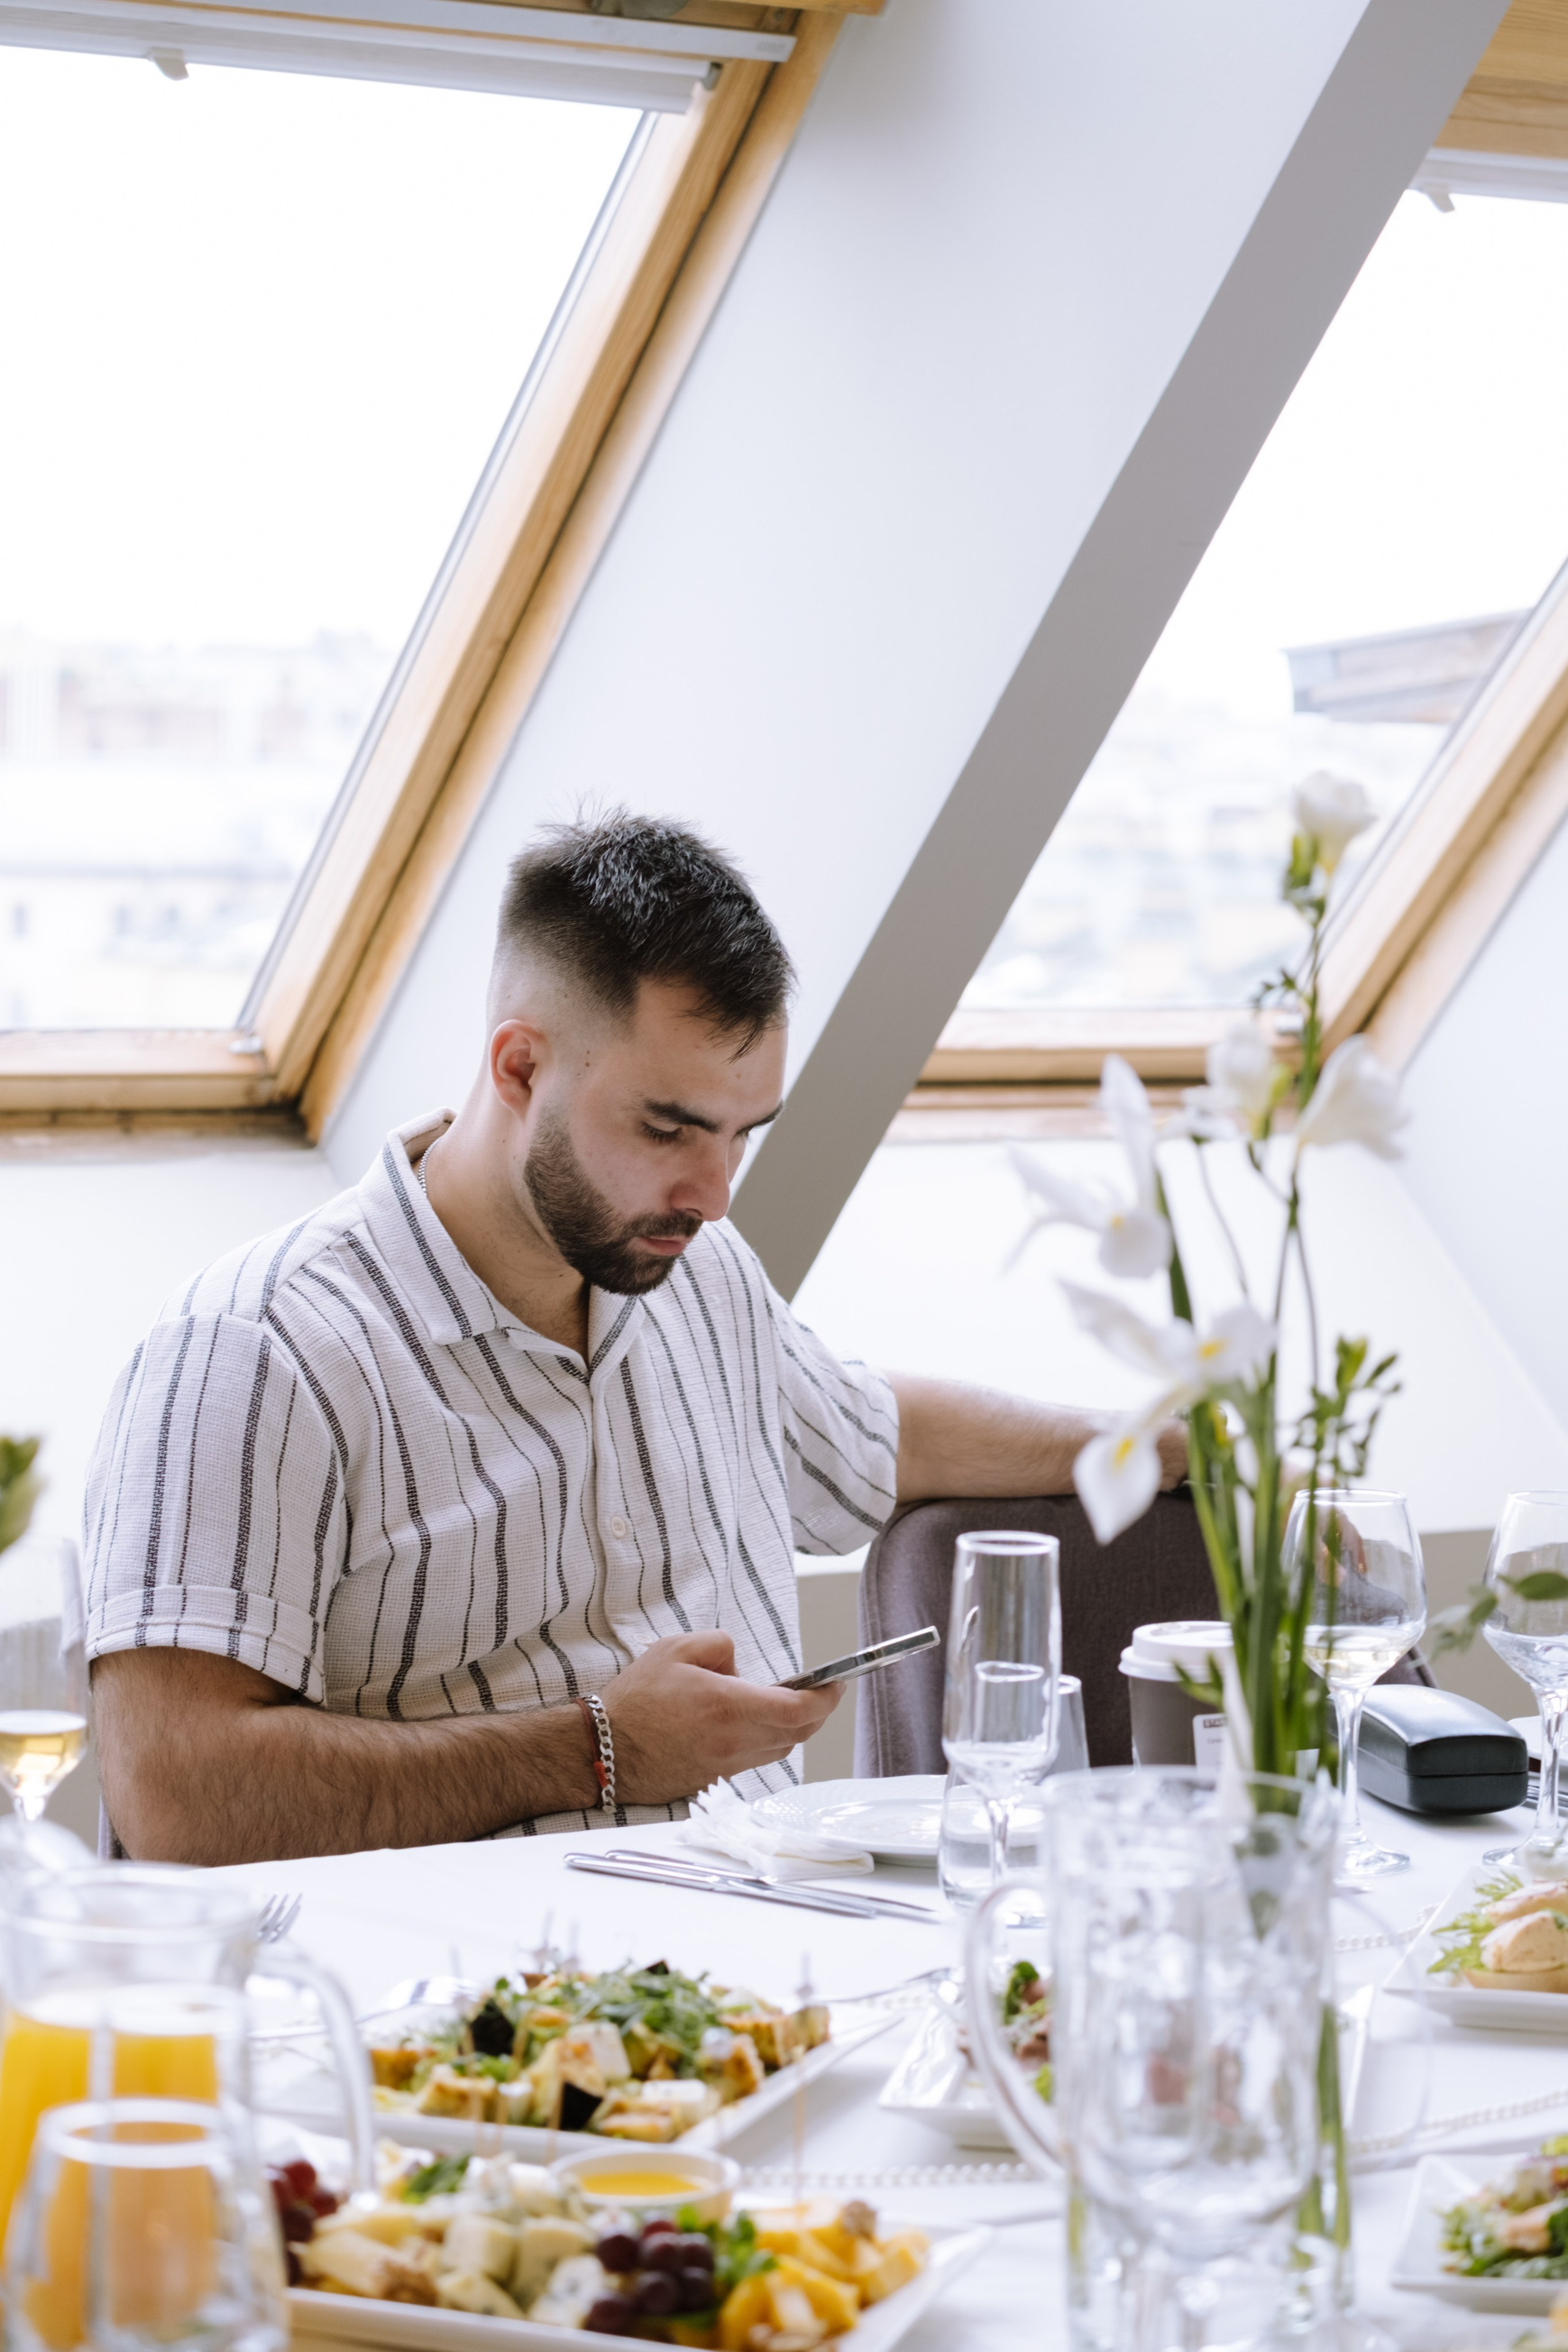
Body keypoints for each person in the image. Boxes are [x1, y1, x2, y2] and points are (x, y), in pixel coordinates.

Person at [86, 815, 1185, 1864]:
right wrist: (600, 1748)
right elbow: (176, 1794)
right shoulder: (255, 1352)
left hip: (779, 1964)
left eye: (742, 1134)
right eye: (668, 1128)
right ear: (519, 1068)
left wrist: (1176, 1444)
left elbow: (880, 1435)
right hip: (464, 2012)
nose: (714, 1194)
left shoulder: (698, 1276)